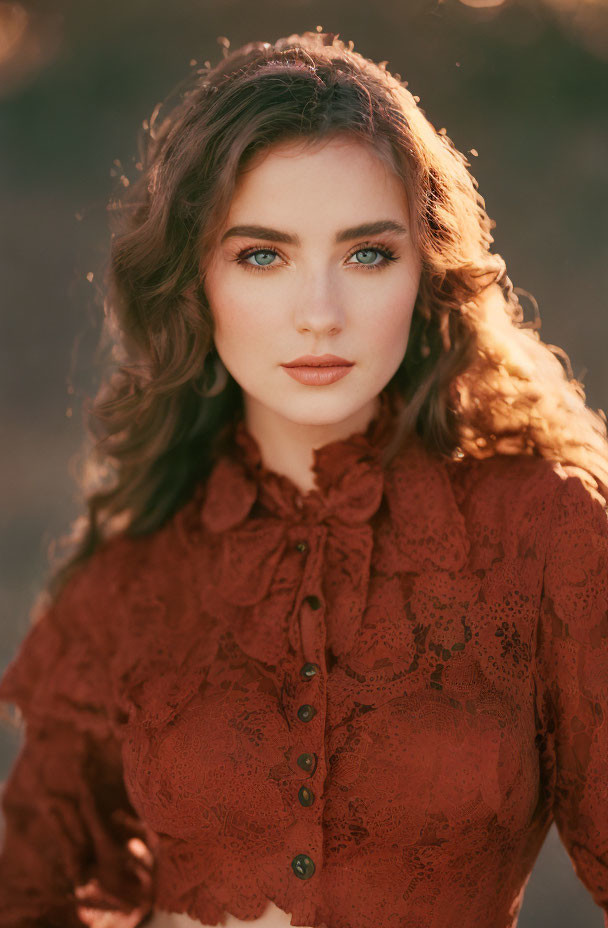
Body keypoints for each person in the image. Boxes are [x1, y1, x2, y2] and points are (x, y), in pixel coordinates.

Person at [0, 28, 607, 928]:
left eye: (368, 254)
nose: (319, 315)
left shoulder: (548, 531)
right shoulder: (133, 578)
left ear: (428, 269)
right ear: (195, 279)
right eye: (262, 255)